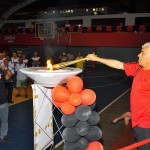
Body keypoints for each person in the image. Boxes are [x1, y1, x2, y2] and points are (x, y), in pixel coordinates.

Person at [86, 42, 150, 150]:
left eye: (142, 53)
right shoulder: (139, 68)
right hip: (137, 122)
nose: (138, 55)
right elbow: (118, 65)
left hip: (146, 127)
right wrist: (97, 59)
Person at [0, 65, 12, 142]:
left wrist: (6, 68)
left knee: (4, 121)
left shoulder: (1, 71)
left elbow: (9, 75)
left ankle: (3, 136)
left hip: (4, 102)